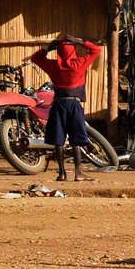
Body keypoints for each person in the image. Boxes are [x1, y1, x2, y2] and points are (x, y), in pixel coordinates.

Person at [29, 33, 103, 184]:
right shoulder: (79, 63)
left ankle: (62, 173)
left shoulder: (54, 65)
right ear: (73, 50)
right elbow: (96, 50)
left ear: (59, 51)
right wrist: (81, 41)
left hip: (58, 104)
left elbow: (35, 58)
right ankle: (78, 173)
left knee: (59, 140)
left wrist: (48, 48)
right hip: (74, 104)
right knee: (76, 139)